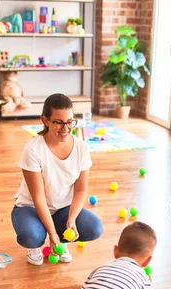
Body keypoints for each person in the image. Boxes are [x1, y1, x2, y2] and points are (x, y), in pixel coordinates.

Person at [11, 93, 103, 265]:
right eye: (58, 122)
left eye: (69, 122)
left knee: (94, 228)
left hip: (61, 208)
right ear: (45, 120)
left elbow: (81, 190)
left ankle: (61, 241)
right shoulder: (32, 150)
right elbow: (38, 198)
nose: (65, 128)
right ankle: (36, 245)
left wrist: (72, 219)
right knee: (32, 236)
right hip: (30, 208)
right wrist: (52, 234)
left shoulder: (81, 148)